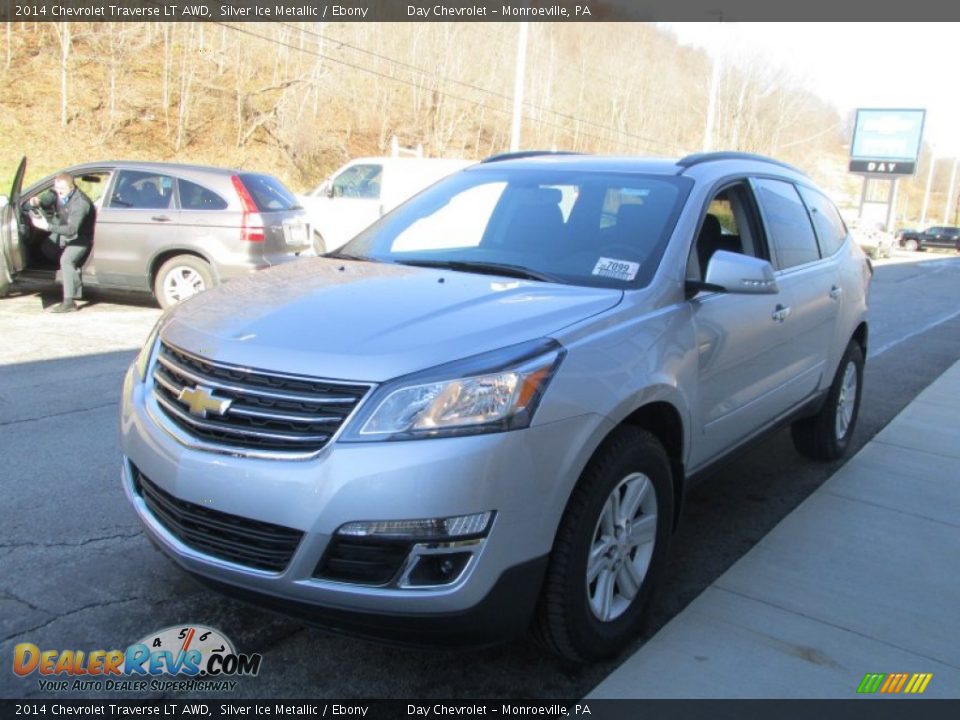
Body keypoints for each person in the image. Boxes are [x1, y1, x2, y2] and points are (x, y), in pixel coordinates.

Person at [28, 173, 95, 313]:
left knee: (66, 260)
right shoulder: (57, 192)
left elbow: (72, 230)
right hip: (64, 234)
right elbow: (48, 198)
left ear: (72, 188)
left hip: (80, 238)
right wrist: (36, 201)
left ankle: (69, 302)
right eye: (57, 188)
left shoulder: (80, 203)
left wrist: (47, 227)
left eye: (62, 189)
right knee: (46, 247)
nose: (59, 192)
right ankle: (69, 276)